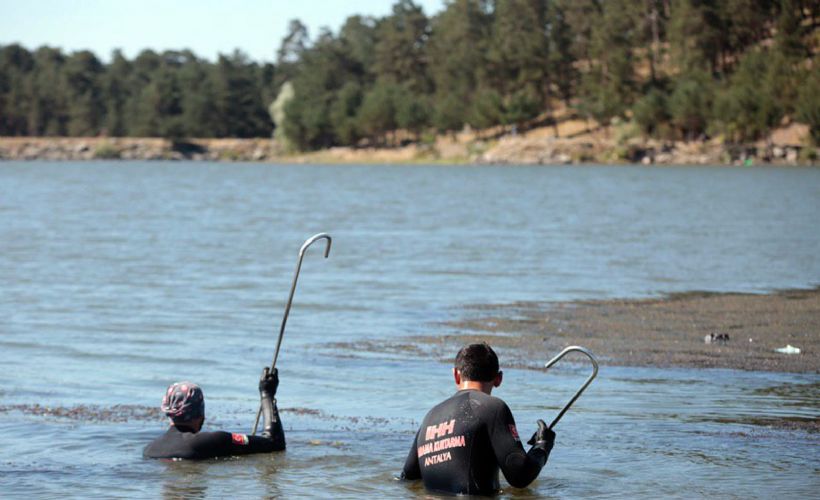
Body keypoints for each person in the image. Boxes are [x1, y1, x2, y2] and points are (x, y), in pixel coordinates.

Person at [401, 343, 555, 495]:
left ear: (456, 375)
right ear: (498, 379)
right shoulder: (493, 408)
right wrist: (542, 447)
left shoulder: (430, 417)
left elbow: (408, 478)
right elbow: (520, 476)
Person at [143, 367, 285, 459]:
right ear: (199, 411)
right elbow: (274, 443)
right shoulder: (211, 441)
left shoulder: (150, 449)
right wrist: (267, 394)